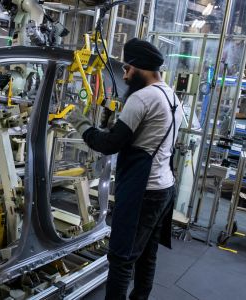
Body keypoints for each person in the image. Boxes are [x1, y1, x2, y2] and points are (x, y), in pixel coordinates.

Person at [67, 38, 183, 300]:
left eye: (128, 69)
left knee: (121, 258)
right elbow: (142, 135)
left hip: (144, 191)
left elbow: (109, 145)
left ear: (141, 68)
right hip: (165, 187)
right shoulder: (171, 95)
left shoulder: (142, 98)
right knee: (146, 255)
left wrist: (80, 122)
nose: (125, 74)